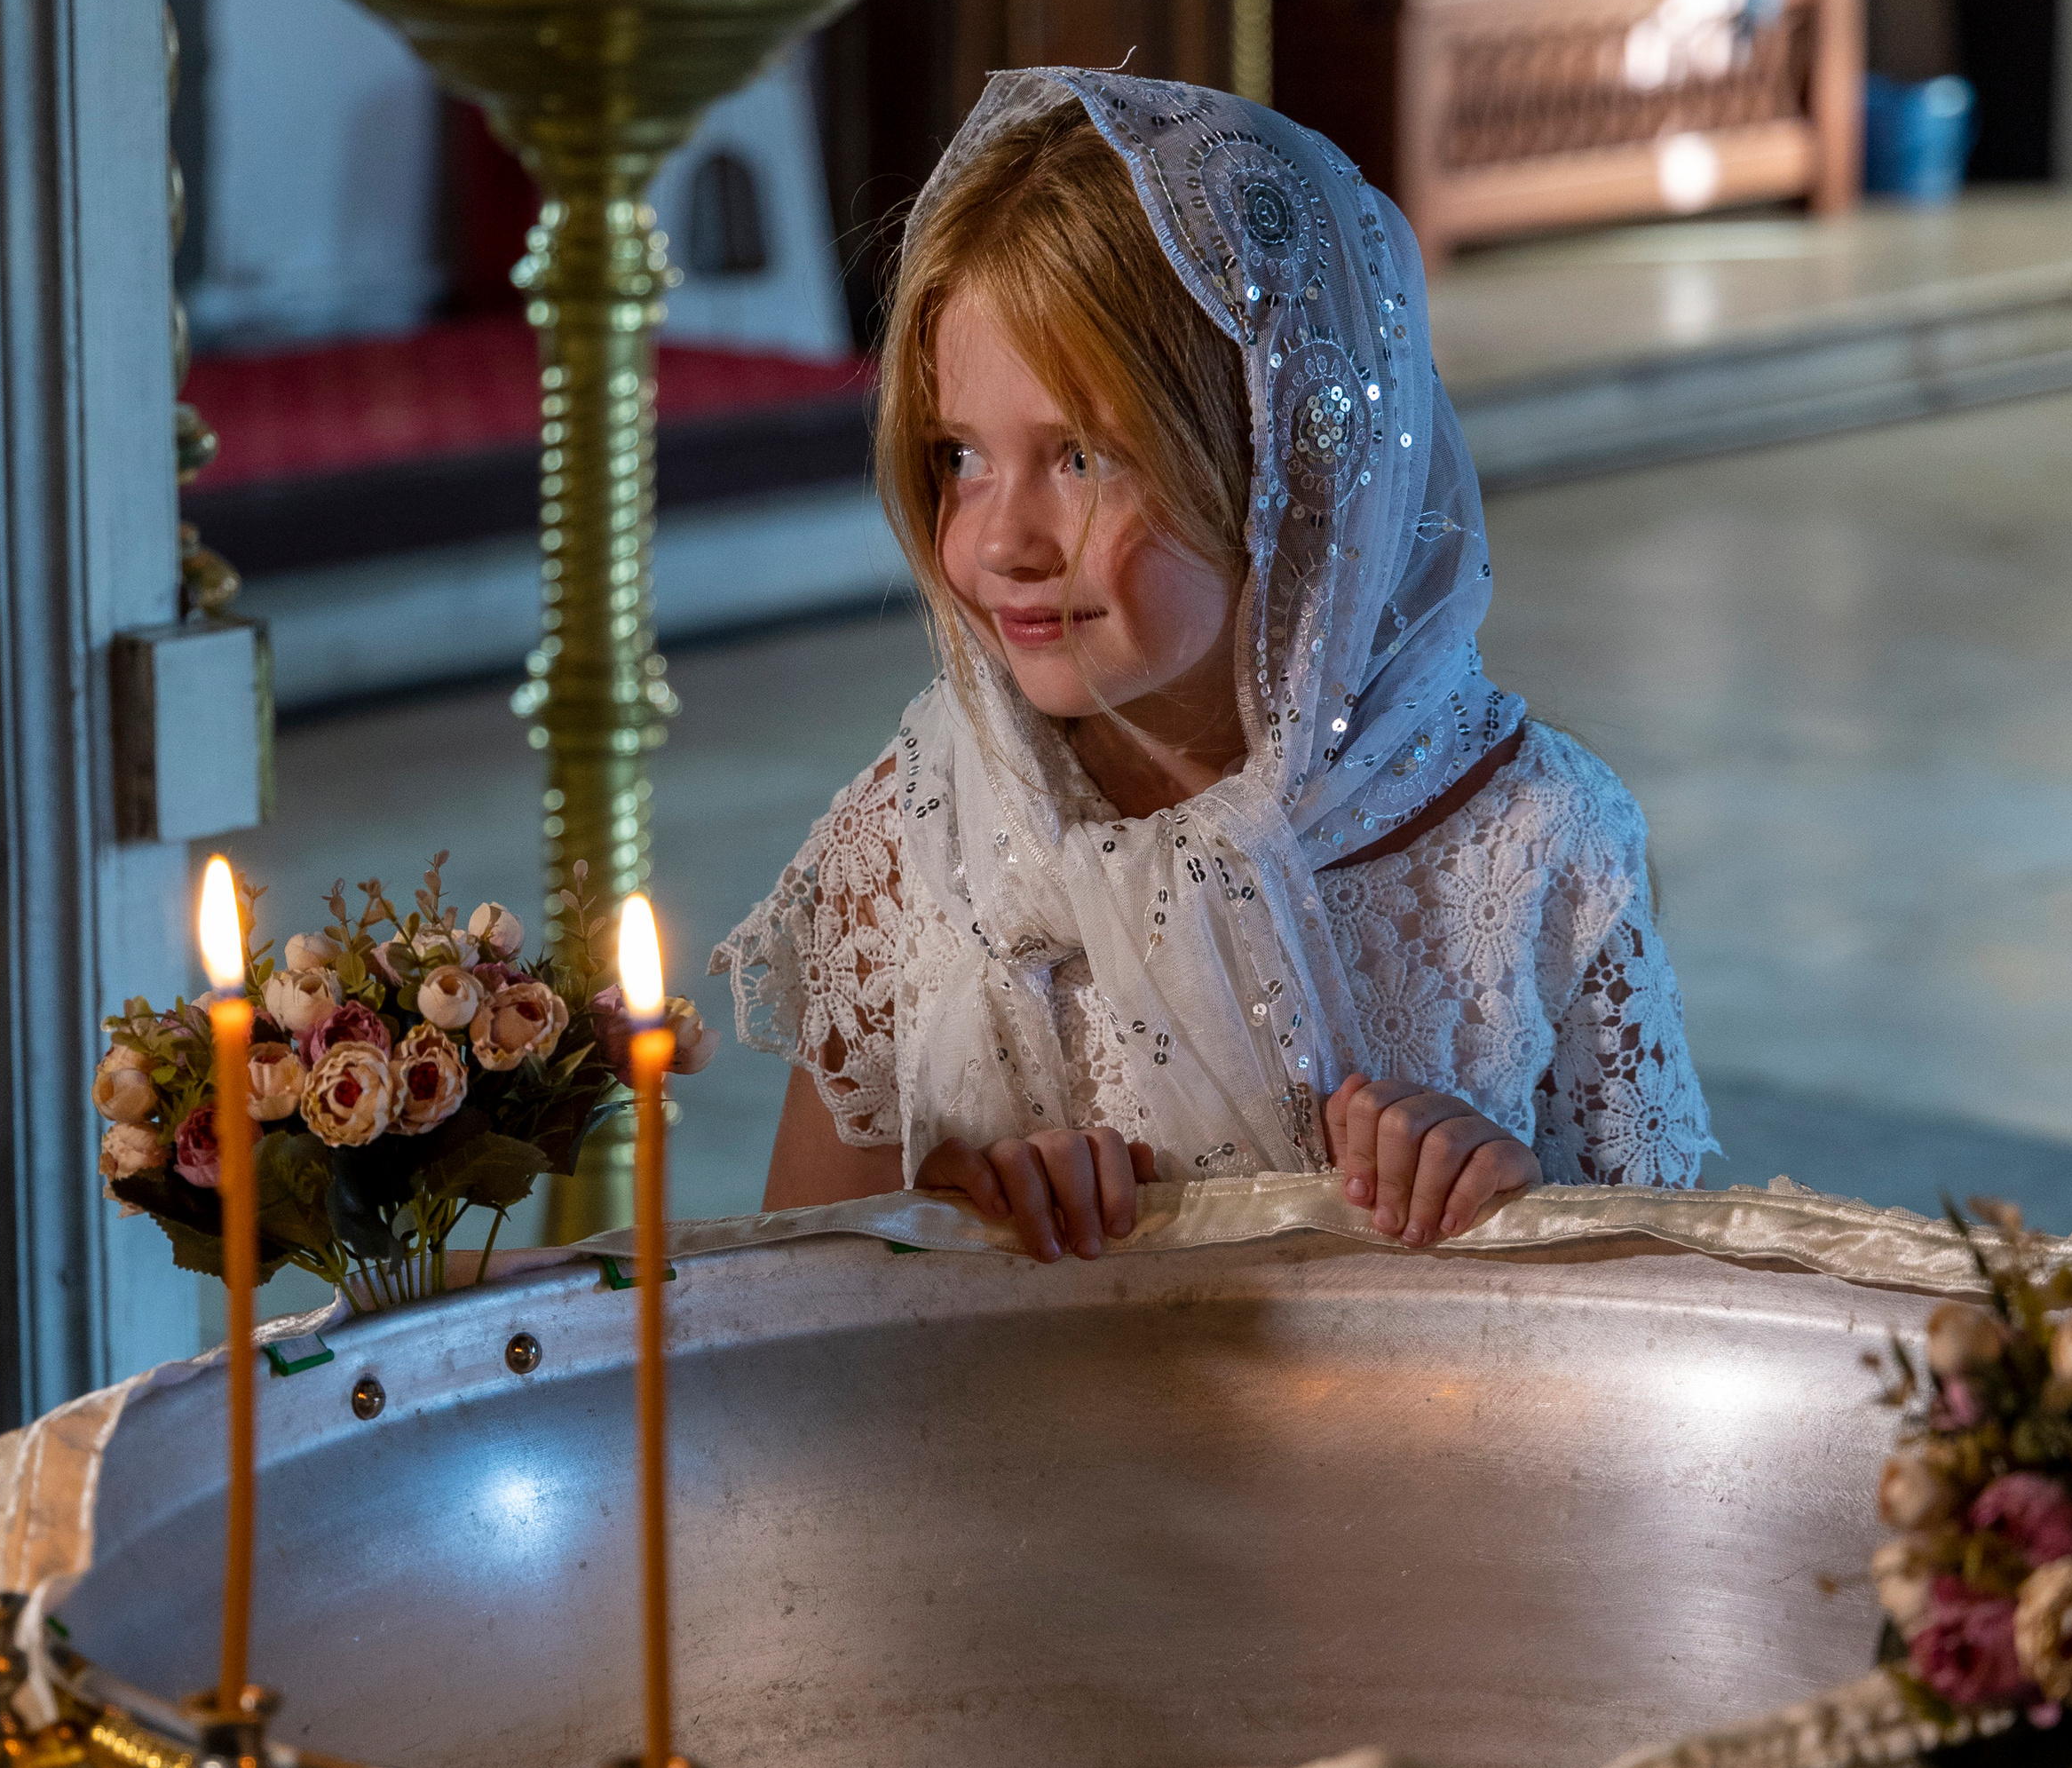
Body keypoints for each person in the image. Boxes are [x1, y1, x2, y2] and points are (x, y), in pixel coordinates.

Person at [713, 69, 1713, 1261]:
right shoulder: (909, 844)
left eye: (1081, 458)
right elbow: (792, 1316)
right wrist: (956, 1232)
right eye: (961, 456)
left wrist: (1507, 1203)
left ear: (1284, 466)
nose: (997, 543)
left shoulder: (1532, 844)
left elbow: (1659, 1324)